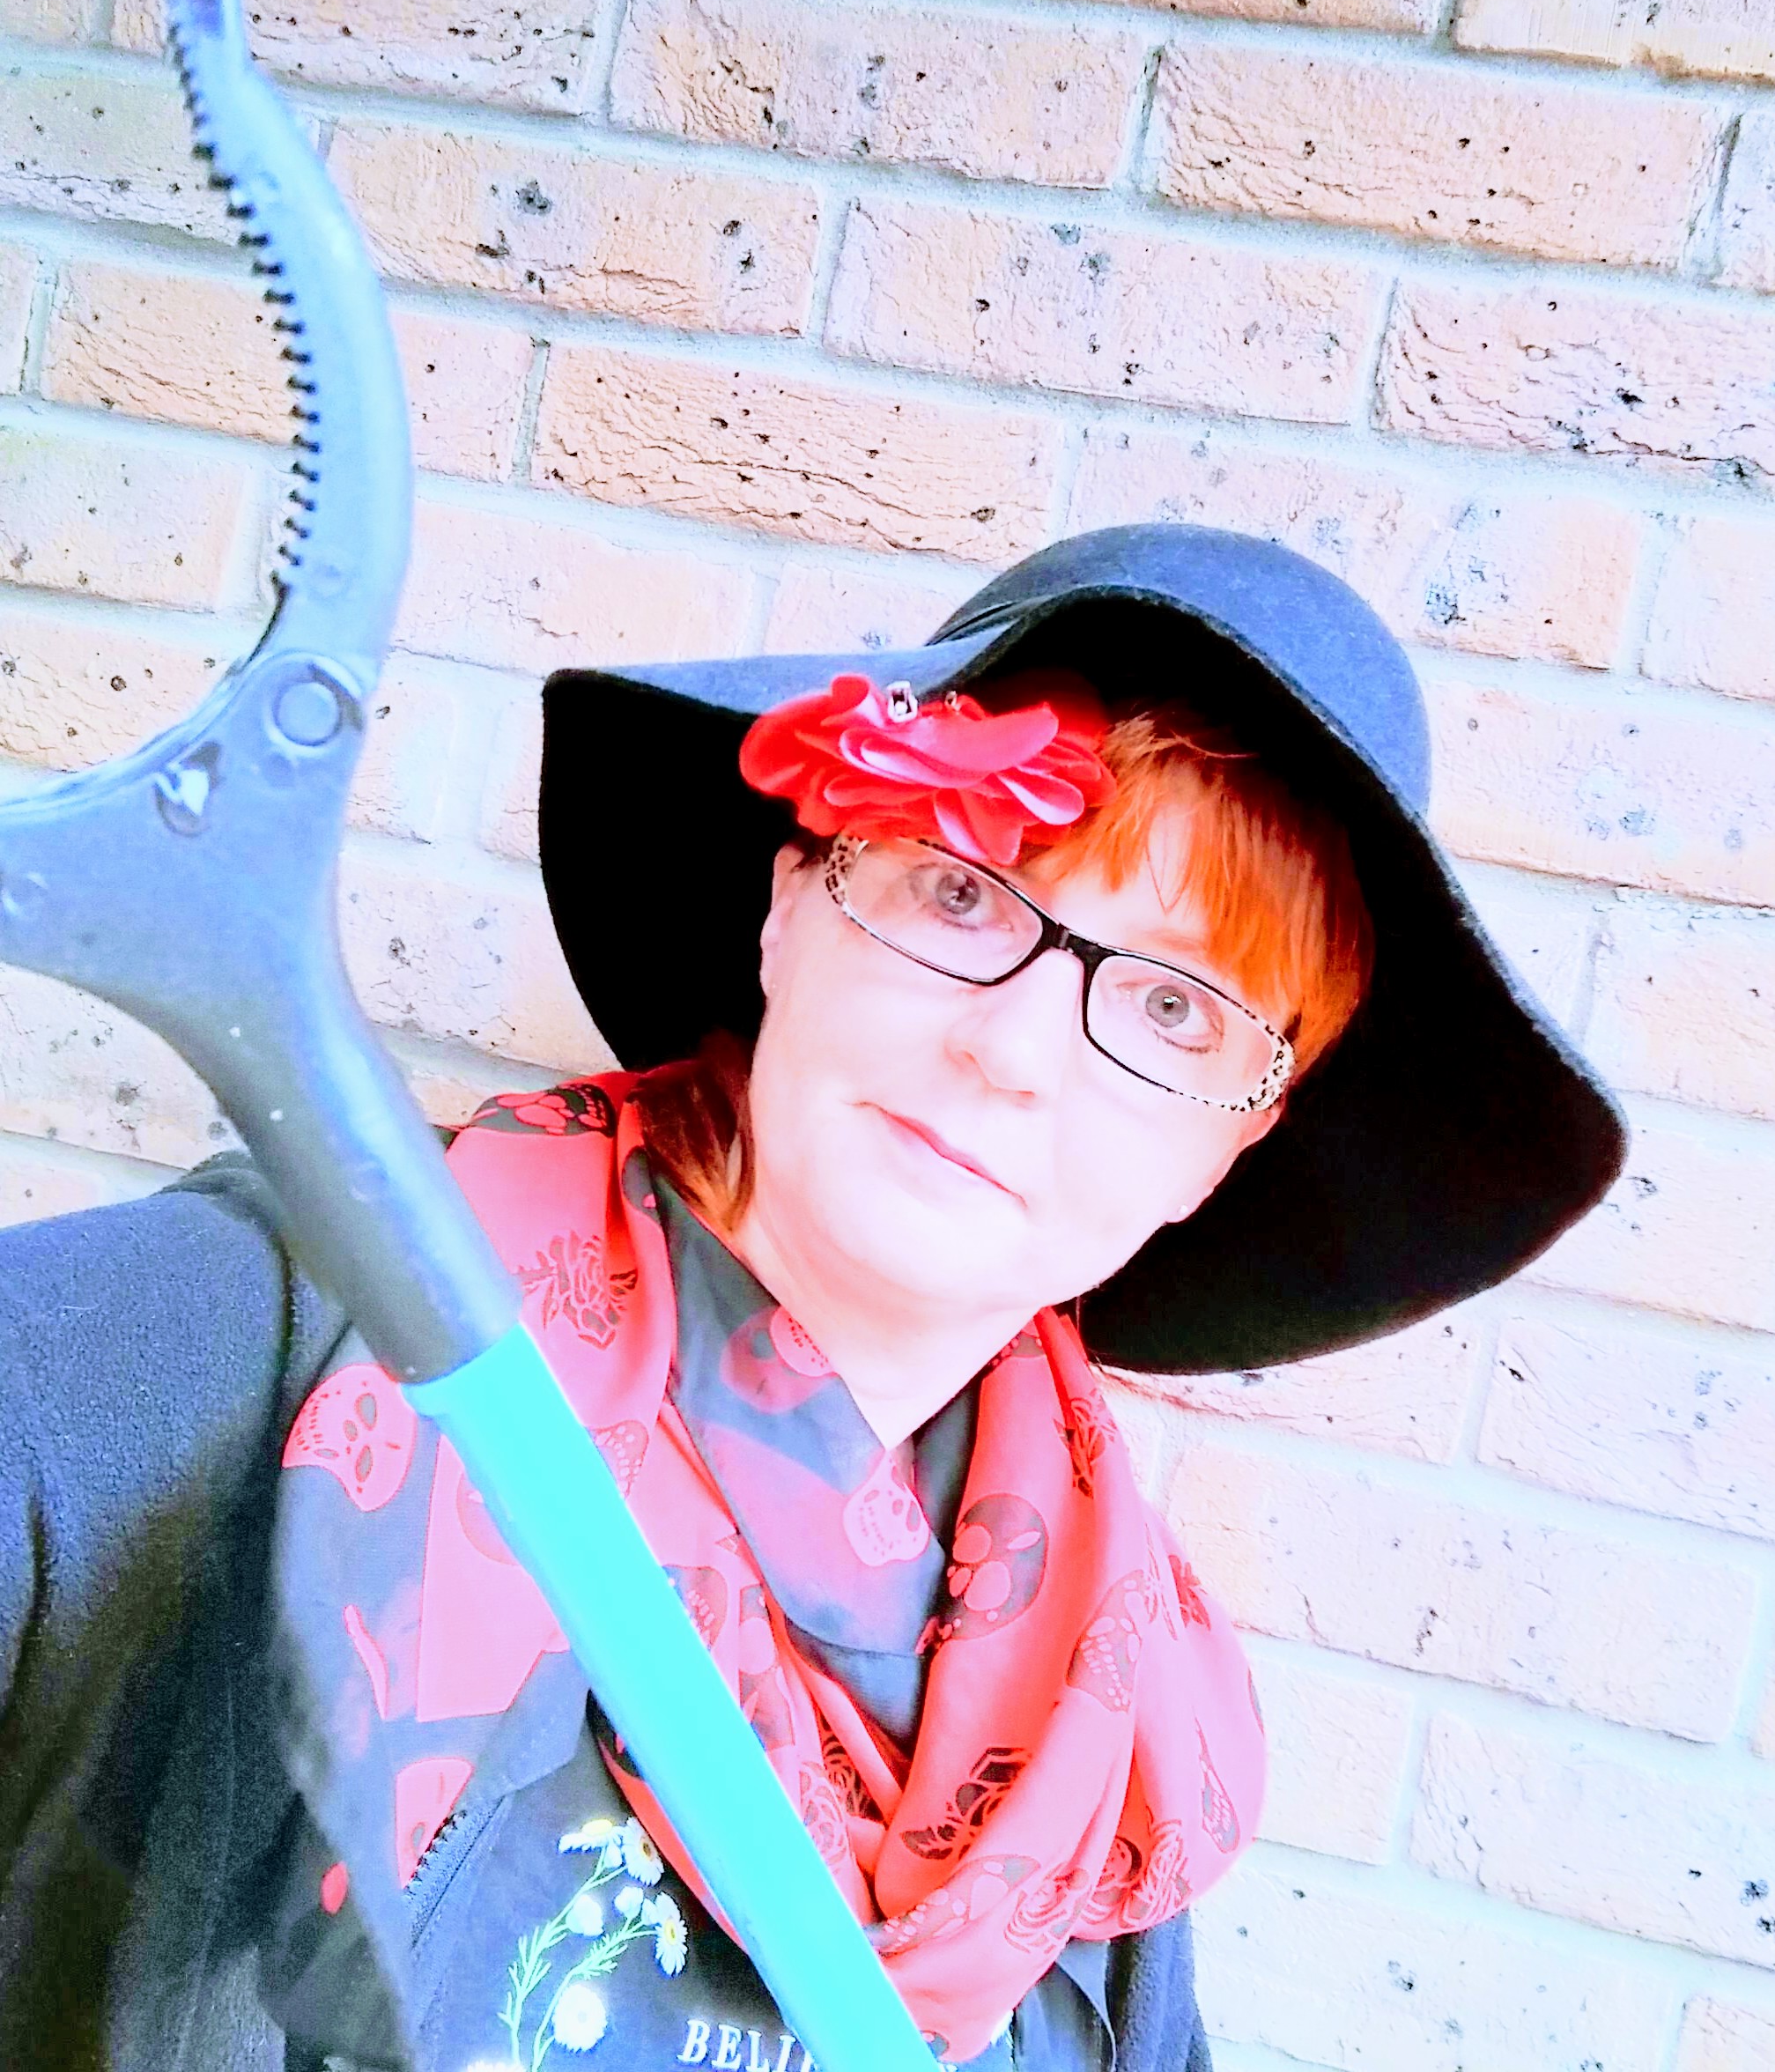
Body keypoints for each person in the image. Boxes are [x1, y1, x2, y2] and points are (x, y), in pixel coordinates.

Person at [0, 522, 1624, 2072]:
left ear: (1228, 1148)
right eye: (962, 891)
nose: (1013, 1048)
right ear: (792, 902)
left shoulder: (1105, 1738)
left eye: (1175, 1008)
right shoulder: (262, 1349)